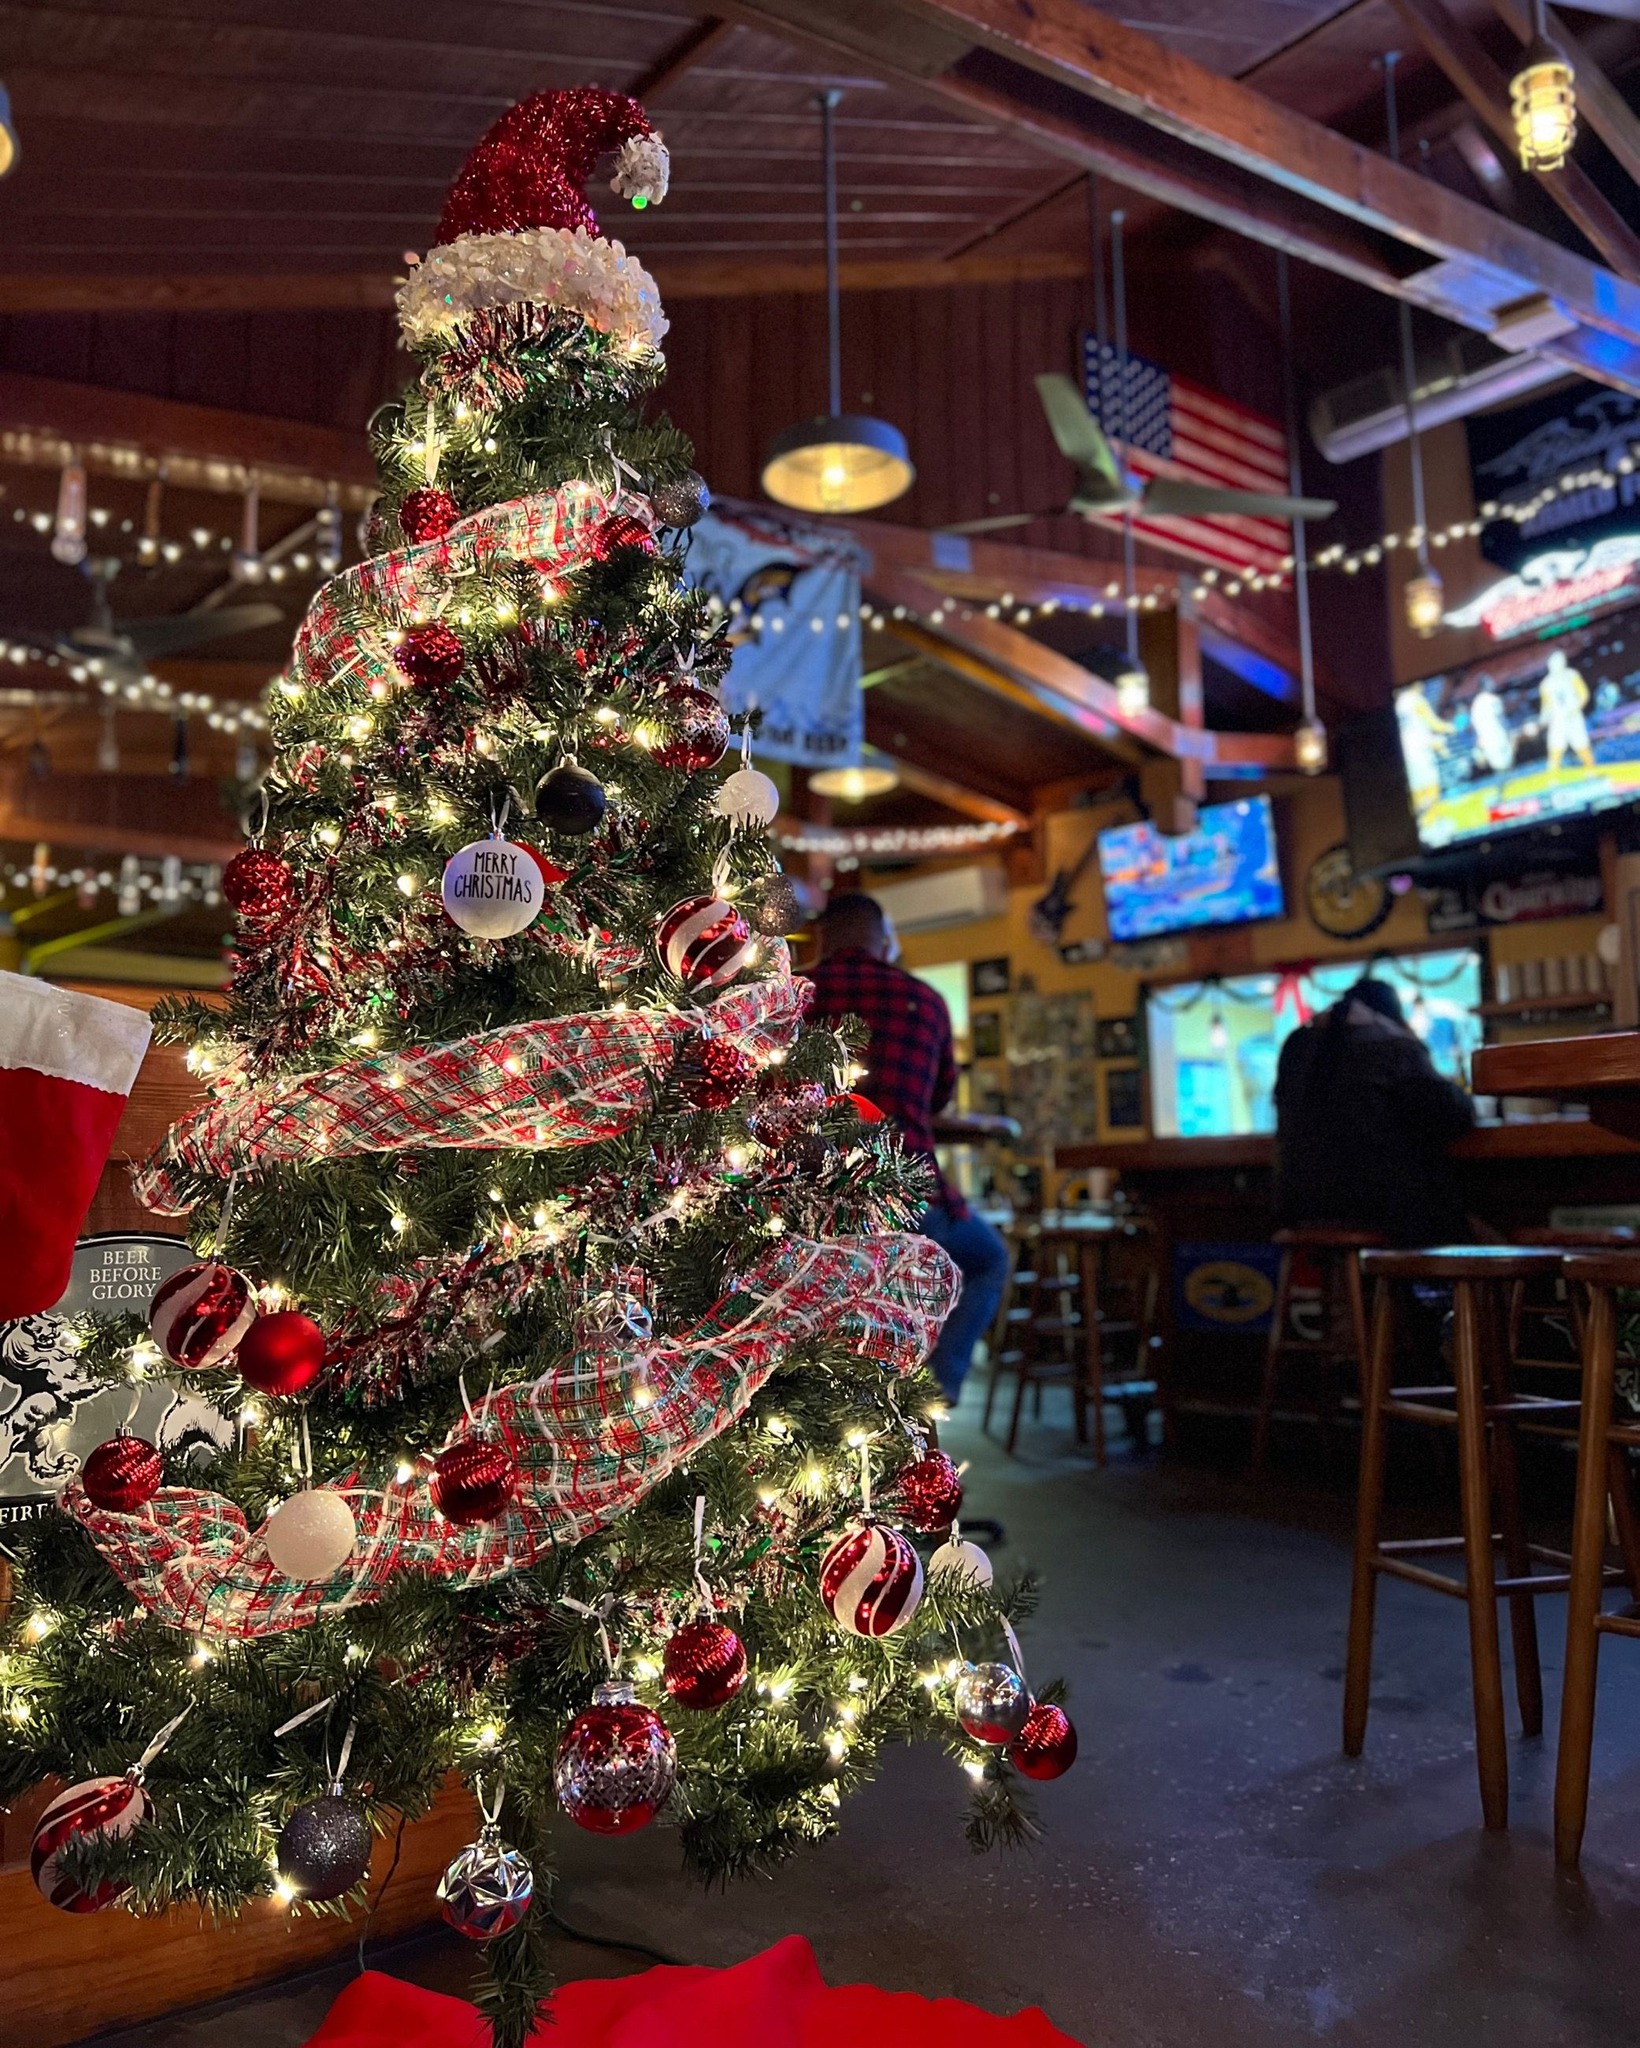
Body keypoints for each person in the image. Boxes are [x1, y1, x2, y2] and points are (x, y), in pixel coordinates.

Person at [803, 893, 1013, 1404]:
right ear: (885, 940)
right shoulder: (925, 1001)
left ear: (823, 937)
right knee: (989, 1261)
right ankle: (935, 1391)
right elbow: (938, 1099)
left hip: (806, 1200)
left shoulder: (794, 994)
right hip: (909, 1199)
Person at [1273, 977, 1476, 1249]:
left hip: (1296, 1206)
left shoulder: (1296, 1044)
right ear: (1394, 1013)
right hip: (1381, 1208)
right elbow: (1455, 1116)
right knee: (1463, 1222)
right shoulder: (1393, 1044)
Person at [1541, 648, 1595, 775]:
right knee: (1555, 750)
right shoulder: (1546, 683)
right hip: (1558, 721)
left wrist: (1575, 709)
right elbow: (1546, 706)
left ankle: (1591, 773)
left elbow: (1584, 694)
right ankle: (1553, 780)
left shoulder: (1572, 675)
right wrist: (1543, 718)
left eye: (1559, 661)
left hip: (1574, 718)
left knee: (1582, 746)